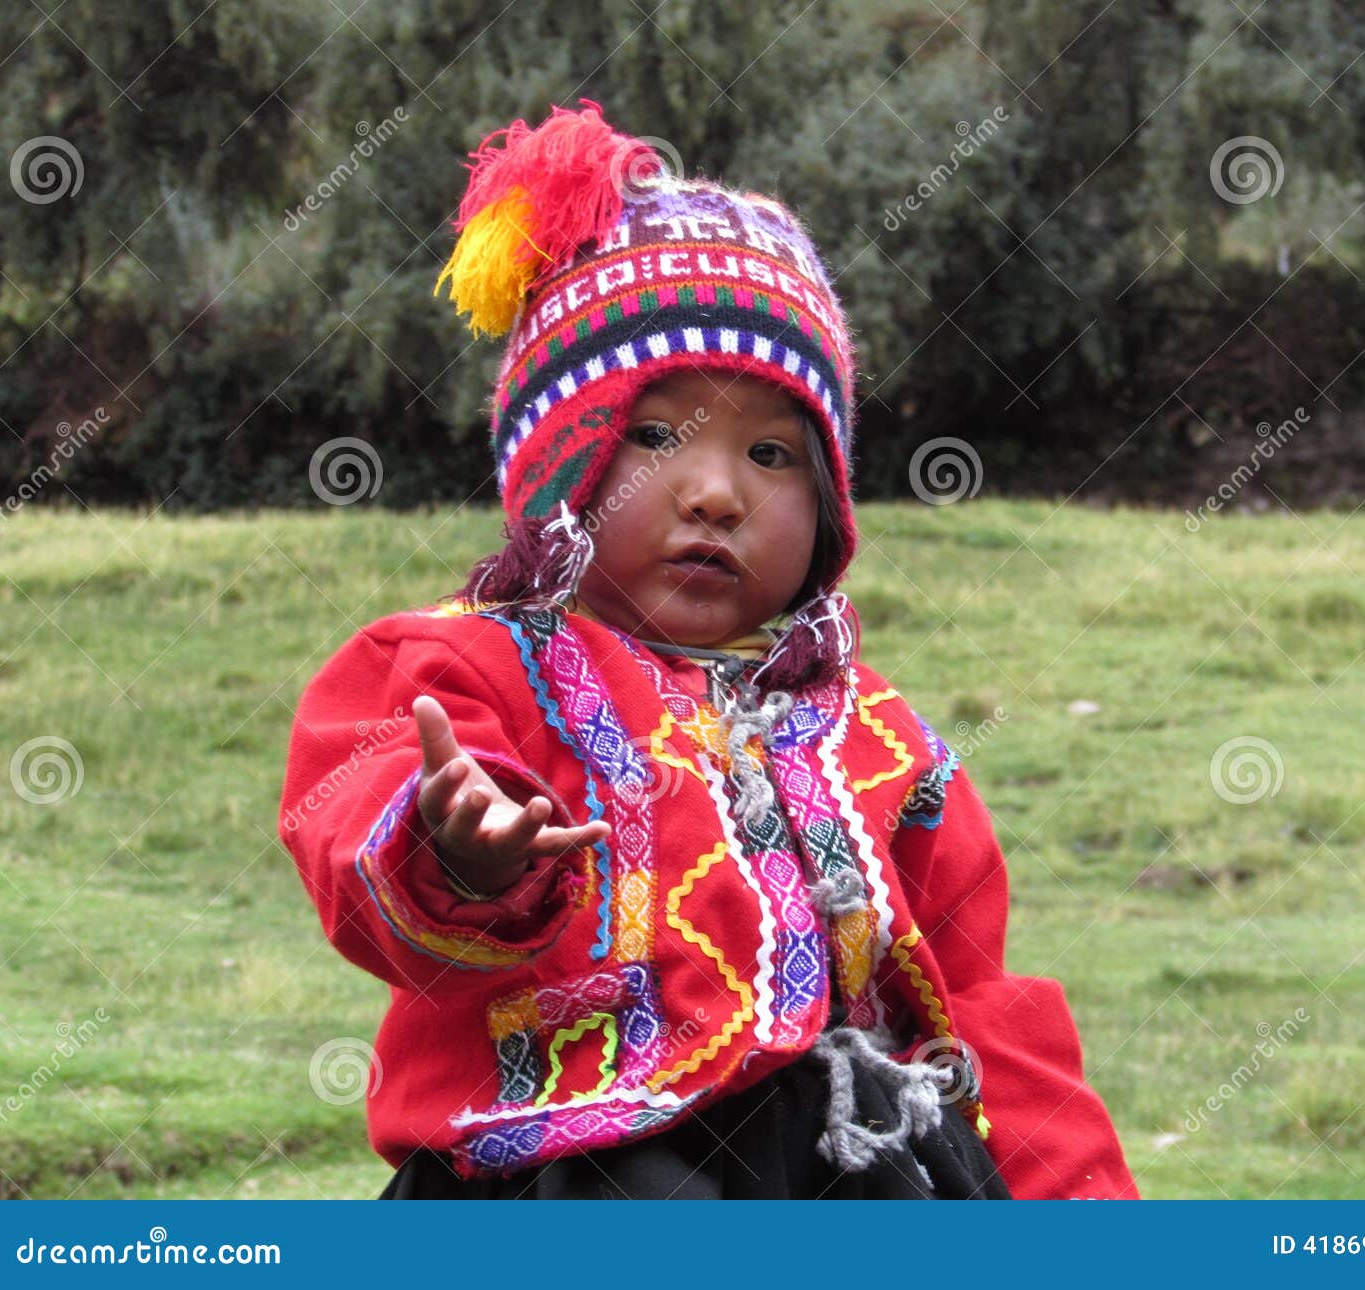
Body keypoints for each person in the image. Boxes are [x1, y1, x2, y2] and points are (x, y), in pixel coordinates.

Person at [278, 101, 1138, 1200]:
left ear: (826, 505)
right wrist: (458, 853)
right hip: (563, 1187)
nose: (717, 493)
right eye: (654, 434)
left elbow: (985, 1010)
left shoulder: (882, 743)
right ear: (559, 465)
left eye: (772, 452)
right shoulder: (460, 668)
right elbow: (355, 816)